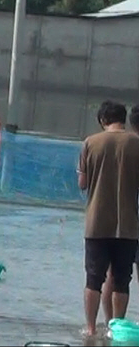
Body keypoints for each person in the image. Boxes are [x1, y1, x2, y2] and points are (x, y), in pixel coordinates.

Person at [78, 100, 139, 337]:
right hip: (127, 226)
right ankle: (116, 328)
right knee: (122, 280)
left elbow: (82, 184)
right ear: (123, 119)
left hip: (96, 223)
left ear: (103, 120)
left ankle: (91, 328)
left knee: (94, 279)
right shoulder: (137, 144)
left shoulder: (90, 143)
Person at [102, 105, 139, 322]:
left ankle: (110, 324)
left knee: (112, 275)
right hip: (129, 222)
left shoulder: (116, 145)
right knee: (118, 277)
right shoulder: (134, 147)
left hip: (117, 222)